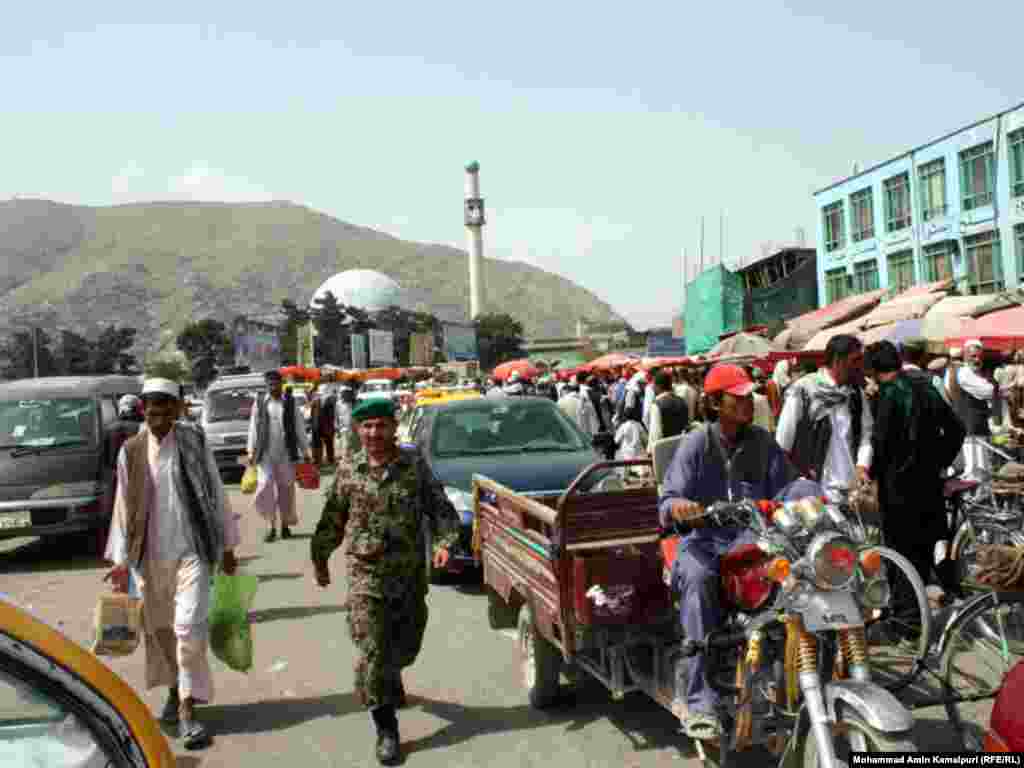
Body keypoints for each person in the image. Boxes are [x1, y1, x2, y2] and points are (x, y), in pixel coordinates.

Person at [659, 364, 806, 739]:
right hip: (704, 541)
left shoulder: (762, 441)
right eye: (737, 397)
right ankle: (700, 701)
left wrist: (811, 493)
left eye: (748, 396)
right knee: (698, 580)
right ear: (714, 403)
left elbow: (788, 486)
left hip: (752, 539)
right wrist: (680, 508)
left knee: (800, 573)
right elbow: (669, 498)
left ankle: (801, 673)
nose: (747, 402)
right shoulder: (696, 443)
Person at [311, 398, 460, 766]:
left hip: (408, 574)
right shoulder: (349, 470)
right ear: (358, 430)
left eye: (381, 425)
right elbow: (332, 519)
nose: (374, 433)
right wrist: (320, 558)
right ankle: (386, 727)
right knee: (373, 649)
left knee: (406, 646)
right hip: (366, 574)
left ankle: (390, 674)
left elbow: (440, 508)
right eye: (367, 426)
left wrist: (444, 544)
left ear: (394, 428)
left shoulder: (413, 466)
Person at [103, 378, 240, 750]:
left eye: (166, 406)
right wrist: (120, 560)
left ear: (178, 409)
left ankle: (187, 710)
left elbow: (215, 491)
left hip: (192, 551)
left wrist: (228, 546)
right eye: (152, 406)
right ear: (143, 410)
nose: (158, 413)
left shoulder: (194, 442)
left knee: (188, 629)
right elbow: (122, 506)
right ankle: (175, 689)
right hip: (148, 558)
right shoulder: (131, 450)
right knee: (161, 633)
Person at [865, 341, 965, 615]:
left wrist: (872, 476)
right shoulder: (925, 387)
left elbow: (881, 443)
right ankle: (921, 612)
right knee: (924, 550)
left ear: (873, 369)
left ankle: (908, 619)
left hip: (897, 489)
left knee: (901, 555)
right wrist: (939, 462)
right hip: (929, 485)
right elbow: (957, 429)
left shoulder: (888, 394)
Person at [776, 335, 874, 504]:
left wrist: (862, 466)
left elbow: (867, 434)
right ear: (838, 360)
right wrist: (798, 479)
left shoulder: (856, 394)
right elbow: (783, 443)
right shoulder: (804, 390)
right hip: (814, 493)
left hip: (851, 493)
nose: (860, 366)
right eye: (855, 360)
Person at [247, 370, 312, 543]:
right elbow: (253, 427)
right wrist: (251, 451)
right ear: (266, 385)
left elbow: (299, 427)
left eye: (276, 383)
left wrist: (306, 451)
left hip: (286, 453)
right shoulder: (259, 402)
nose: (273, 387)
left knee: (286, 490)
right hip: (265, 454)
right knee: (265, 488)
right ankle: (271, 526)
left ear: (281, 384)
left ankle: (284, 525)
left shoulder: (290, 402)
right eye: (270, 384)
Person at [946, 339, 996, 480]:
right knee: (976, 469)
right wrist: (989, 383)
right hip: (971, 426)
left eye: (979, 357)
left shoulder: (967, 372)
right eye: (973, 356)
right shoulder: (965, 373)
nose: (977, 360)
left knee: (976, 468)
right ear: (964, 356)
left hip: (972, 425)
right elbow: (988, 391)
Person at [647, 370, 690, 453]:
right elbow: (687, 426)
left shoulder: (657, 405)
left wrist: (650, 451)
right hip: (681, 448)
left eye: (654, 385)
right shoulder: (682, 402)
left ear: (658, 386)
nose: (653, 388)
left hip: (664, 451)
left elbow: (655, 434)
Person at [335, 386, 360, 459]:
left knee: (356, 447)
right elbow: (336, 416)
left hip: (355, 429)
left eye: (347, 393)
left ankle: (357, 461)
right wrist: (337, 428)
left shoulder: (356, 403)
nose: (345, 395)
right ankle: (346, 460)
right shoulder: (338, 404)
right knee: (345, 447)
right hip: (344, 429)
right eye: (343, 393)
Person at [317, 386, 338, 466]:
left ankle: (329, 459)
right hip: (326, 426)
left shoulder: (322, 401)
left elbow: (330, 415)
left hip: (324, 426)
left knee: (328, 443)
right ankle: (329, 459)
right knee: (329, 443)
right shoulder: (328, 401)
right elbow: (330, 415)